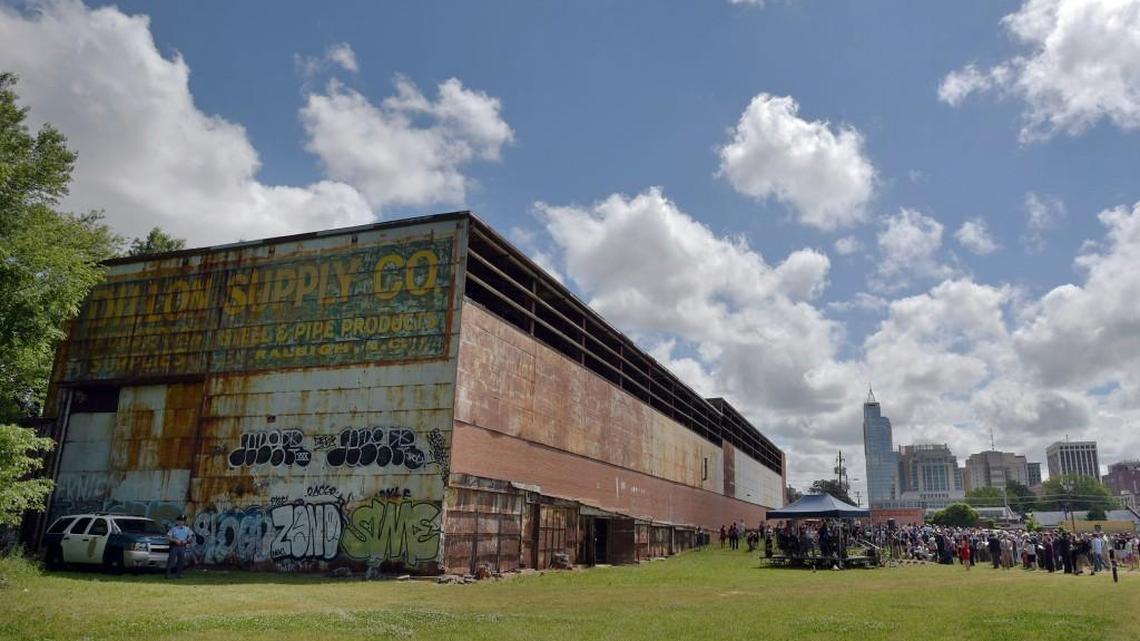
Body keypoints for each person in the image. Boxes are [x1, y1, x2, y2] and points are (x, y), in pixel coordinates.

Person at [166, 515, 193, 579]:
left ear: (184, 522)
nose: (181, 522)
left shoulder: (187, 529)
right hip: (175, 546)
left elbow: (191, 536)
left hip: (182, 546)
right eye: (180, 521)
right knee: (171, 560)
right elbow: (168, 537)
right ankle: (168, 574)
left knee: (181, 561)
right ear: (177, 522)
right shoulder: (173, 529)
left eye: (182, 521)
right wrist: (175, 540)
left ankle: (179, 574)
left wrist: (186, 541)